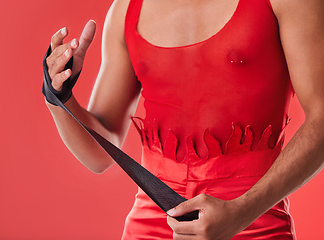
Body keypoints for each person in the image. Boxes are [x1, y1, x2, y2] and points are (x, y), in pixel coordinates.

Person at [43, 0, 324, 239]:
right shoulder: (126, 10)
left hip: (253, 221)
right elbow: (99, 154)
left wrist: (243, 212)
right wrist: (58, 95)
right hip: (152, 223)